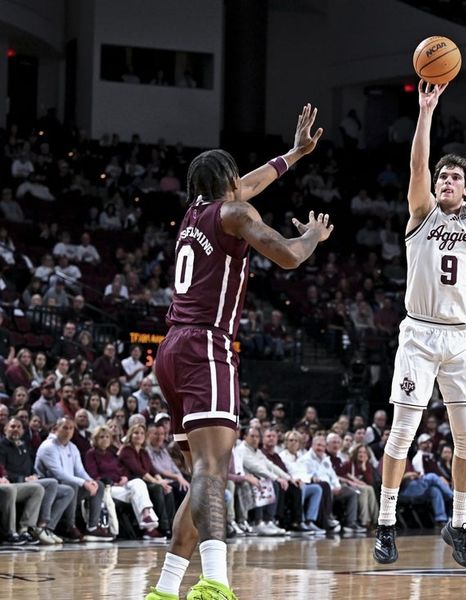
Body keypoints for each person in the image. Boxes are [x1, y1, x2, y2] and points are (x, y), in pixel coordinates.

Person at [145, 103, 330, 600]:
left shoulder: (195, 213)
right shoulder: (234, 212)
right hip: (206, 345)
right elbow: (288, 255)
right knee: (214, 471)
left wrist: (293, 154)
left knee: (200, 479)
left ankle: (165, 590)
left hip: (172, 350)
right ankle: (216, 583)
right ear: (228, 182)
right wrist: (311, 235)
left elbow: (247, 187)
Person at [373, 75, 466, 570]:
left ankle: (461, 524)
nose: (445, 182)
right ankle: (385, 524)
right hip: (419, 335)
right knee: (402, 432)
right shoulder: (421, 212)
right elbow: (416, 165)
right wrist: (426, 112)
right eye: (442, 177)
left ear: (465, 190)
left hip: (460, 338)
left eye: (453, 179)